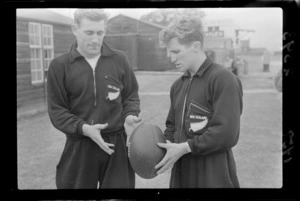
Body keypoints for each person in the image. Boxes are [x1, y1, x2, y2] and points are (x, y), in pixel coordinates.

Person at [47, 9, 141, 189]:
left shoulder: (120, 59)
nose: (96, 39)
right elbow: (57, 110)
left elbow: (131, 96)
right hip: (80, 143)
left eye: (100, 32)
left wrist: (130, 116)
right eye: (89, 32)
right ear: (75, 29)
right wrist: (83, 128)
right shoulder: (59, 66)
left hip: (117, 144)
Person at [155, 15, 243, 188]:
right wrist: (158, 147)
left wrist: (186, 147)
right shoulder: (177, 85)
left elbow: (227, 133)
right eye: (169, 53)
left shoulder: (223, 79)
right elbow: (172, 127)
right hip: (181, 169)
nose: (171, 59)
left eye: (176, 51)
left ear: (196, 46)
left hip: (213, 170)